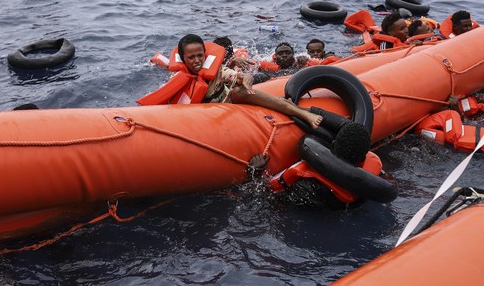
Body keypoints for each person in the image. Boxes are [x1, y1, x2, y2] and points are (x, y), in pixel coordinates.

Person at [137, 34, 323, 129]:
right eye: (191, 57)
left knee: (238, 91)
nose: (196, 61)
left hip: (227, 104)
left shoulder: (217, 69)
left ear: (205, 54)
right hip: (199, 115)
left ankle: (302, 114)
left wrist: (247, 80)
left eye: (200, 55)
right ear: (183, 59)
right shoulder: (176, 78)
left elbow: (240, 76)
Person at [249, 115, 382, 210]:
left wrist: (255, 173)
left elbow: (266, 193)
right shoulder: (373, 182)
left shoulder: (303, 182)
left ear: (332, 145)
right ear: (363, 158)